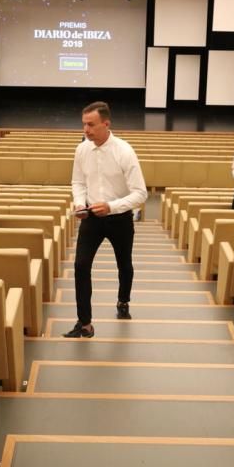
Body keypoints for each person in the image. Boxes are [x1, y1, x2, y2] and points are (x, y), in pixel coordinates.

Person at [65, 101, 147, 338]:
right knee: (80, 266)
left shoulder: (124, 151)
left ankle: (123, 301)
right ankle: (85, 322)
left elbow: (140, 193)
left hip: (119, 218)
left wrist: (111, 206)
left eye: (90, 125)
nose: (86, 130)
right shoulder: (82, 149)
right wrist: (80, 203)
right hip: (91, 217)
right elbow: (78, 182)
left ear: (106, 124)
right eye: (83, 124)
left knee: (124, 264)